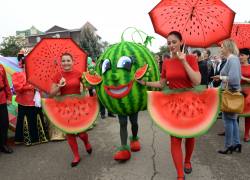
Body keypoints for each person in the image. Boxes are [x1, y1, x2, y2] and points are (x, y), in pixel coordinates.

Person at [135, 31, 201, 180]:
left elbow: (197, 81)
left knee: (190, 135)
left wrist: (184, 61)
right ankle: (179, 175)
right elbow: (162, 83)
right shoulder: (166, 63)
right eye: (169, 43)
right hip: (173, 103)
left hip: (190, 101)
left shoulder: (190, 58)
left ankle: (188, 160)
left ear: (181, 42)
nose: (171, 45)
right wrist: (144, 83)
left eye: (174, 42)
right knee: (175, 137)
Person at [50, 53, 92, 167]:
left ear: (73, 62)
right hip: (64, 106)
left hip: (78, 105)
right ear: (60, 63)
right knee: (69, 134)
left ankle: (86, 142)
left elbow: (88, 87)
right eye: (63, 61)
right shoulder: (57, 75)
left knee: (82, 133)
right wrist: (59, 85)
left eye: (68, 61)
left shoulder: (78, 73)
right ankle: (76, 156)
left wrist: (90, 77)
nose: (66, 63)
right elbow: (51, 93)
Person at [213, 39, 242, 154]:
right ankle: (236, 142)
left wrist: (221, 78)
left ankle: (227, 145)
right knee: (233, 120)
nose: (221, 49)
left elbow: (234, 80)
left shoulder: (233, 59)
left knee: (228, 121)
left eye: (222, 47)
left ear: (228, 48)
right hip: (231, 94)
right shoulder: (232, 59)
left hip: (230, 95)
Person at [12, 59, 48, 146]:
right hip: (25, 101)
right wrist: (31, 87)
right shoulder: (18, 74)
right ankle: (28, 139)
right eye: (26, 64)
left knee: (37, 117)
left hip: (36, 100)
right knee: (26, 119)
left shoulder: (36, 74)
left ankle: (40, 137)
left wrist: (39, 87)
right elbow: (18, 88)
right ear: (22, 65)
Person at [0, 64, 13, 154]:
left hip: (1, 98)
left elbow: (6, 83)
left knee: (4, 122)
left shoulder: (1, 67)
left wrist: (9, 97)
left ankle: (3, 145)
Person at [239, 48, 250, 142]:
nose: (240, 57)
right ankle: (229, 130)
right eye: (239, 55)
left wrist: (243, 78)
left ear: (248, 56)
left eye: (242, 55)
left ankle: (246, 133)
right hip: (237, 90)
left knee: (248, 114)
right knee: (233, 111)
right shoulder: (236, 66)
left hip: (248, 92)